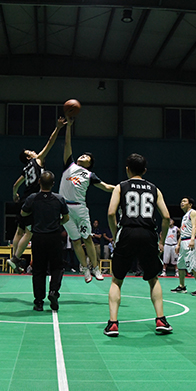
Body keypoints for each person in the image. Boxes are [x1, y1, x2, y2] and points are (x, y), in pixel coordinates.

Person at [105, 153, 173, 336]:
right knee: (153, 278)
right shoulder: (154, 189)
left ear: (127, 169)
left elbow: (111, 213)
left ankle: (113, 324)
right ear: (144, 170)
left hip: (127, 232)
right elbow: (166, 217)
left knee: (117, 280)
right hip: (148, 234)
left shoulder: (120, 187)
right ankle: (161, 320)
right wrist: (161, 241)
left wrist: (115, 235)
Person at [58, 117, 115, 283]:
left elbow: (106, 187)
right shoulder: (69, 165)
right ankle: (85, 269)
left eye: (86, 157)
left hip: (80, 209)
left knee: (87, 238)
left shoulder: (89, 175)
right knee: (76, 241)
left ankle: (95, 267)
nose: (82, 156)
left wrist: (122, 187)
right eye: (82, 155)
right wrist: (69, 127)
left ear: (90, 163)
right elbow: (67, 144)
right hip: (65, 210)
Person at [8, 117, 66, 272]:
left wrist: (14, 196)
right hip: (34, 200)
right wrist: (58, 128)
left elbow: (15, 185)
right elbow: (50, 142)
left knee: (19, 231)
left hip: (24, 199)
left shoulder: (25, 169)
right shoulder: (38, 160)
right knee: (29, 232)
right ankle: (15, 259)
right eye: (30, 152)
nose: (34, 151)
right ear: (29, 157)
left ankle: (14, 257)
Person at [21, 171, 70, 311]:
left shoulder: (32, 198)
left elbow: (23, 213)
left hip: (38, 237)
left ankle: (38, 301)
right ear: (53, 184)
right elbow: (66, 218)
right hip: (54, 237)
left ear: (39, 182)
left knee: (38, 270)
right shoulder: (59, 199)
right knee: (57, 267)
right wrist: (58, 222)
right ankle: (54, 291)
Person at [170, 198, 196, 296]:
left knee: (193, 265)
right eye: (181, 201)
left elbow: (194, 226)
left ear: (190, 204)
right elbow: (183, 232)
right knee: (180, 264)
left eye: (184, 201)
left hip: (190, 241)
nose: (182, 203)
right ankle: (182, 286)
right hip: (183, 241)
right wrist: (178, 244)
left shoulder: (193, 212)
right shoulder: (185, 216)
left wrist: (192, 239)